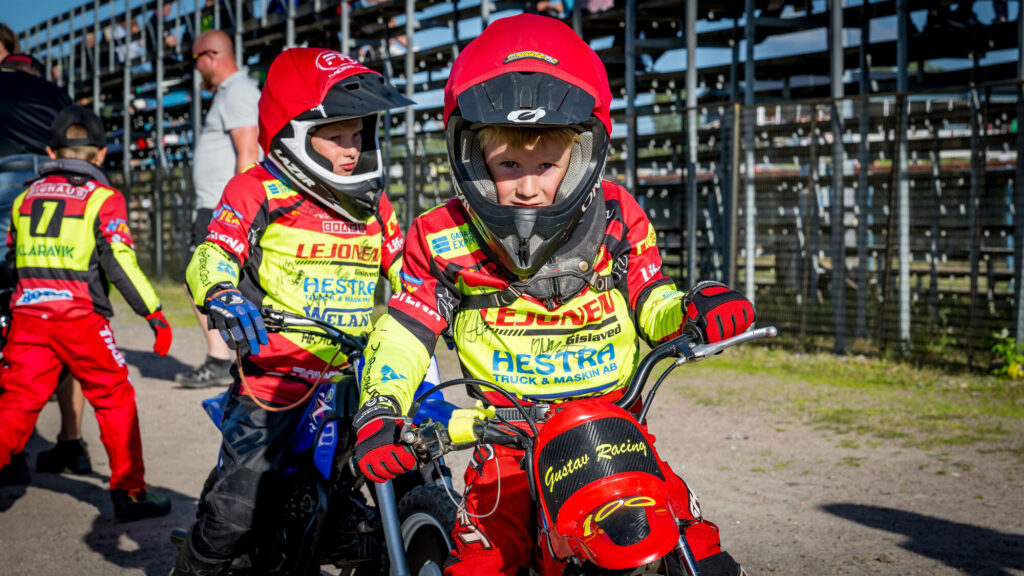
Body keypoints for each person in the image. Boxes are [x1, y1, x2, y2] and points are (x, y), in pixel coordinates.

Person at [351, 14, 755, 576]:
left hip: (614, 431)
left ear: (581, 156)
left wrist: (695, 308)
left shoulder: (617, 214)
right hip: (508, 444)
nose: (528, 184)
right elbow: (404, 333)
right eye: (508, 164)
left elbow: (650, 299)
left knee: (693, 548)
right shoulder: (440, 236)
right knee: (486, 561)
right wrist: (380, 410)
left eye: (547, 165)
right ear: (472, 157)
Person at [172, 47, 412, 575]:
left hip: (357, 374)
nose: (352, 150)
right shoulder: (256, 188)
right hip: (274, 378)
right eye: (337, 135)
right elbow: (211, 254)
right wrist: (223, 294)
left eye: (359, 134)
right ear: (295, 131)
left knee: (413, 459)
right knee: (235, 514)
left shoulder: (376, 206)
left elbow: (410, 270)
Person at [0, 105, 174, 523]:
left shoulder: (24, 197)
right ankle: (130, 493)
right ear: (100, 154)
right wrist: (154, 314)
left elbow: (10, 262)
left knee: (15, 405)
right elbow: (120, 262)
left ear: (49, 151)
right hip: (79, 319)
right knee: (115, 397)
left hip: (27, 315)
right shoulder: (103, 198)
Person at [175, 29, 260, 389]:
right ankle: (233, 357)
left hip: (222, 207)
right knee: (206, 279)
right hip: (216, 204)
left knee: (203, 279)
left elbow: (249, 150)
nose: (195, 69)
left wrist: (240, 209)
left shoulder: (237, 91)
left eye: (195, 60)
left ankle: (222, 358)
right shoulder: (230, 93)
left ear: (210, 56)